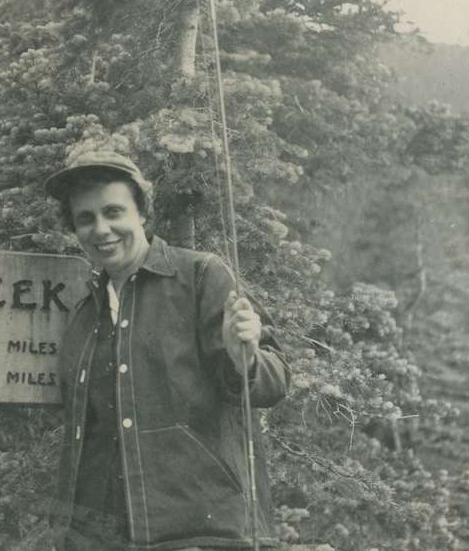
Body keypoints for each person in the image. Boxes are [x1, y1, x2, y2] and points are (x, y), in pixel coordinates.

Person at [44, 149, 290, 550]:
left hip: (203, 533)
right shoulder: (84, 314)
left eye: (113, 212)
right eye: (85, 218)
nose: (101, 229)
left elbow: (273, 382)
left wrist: (244, 356)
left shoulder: (200, 276)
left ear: (142, 213)